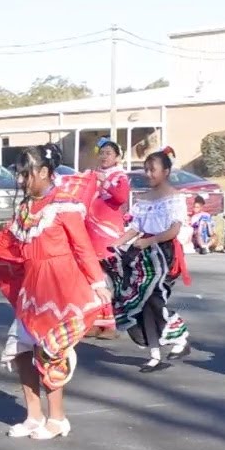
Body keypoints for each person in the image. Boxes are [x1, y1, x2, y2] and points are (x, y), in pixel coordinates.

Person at [0, 143, 110, 439]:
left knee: (51, 352)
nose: (21, 181)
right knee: (22, 350)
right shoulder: (25, 208)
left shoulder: (64, 204)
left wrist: (98, 284)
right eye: (19, 176)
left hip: (62, 289)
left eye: (26, 175)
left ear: (45, 172)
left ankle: (57, 419)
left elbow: (82, 247)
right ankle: (34, 415)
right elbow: (7, 243)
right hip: (33, 290)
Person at [111, 151, 192, 372]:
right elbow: (136, 229)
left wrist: (151, 241)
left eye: (152, 169)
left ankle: (180, 335)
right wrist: (116, 244)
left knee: (154, 300)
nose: (149, 174)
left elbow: (174, 229)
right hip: (143, 254)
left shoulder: (175, 198)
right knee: (140, 303)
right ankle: (155, 354)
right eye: (146, 169)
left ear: (166, 171)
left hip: (164, 254)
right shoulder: (144, 199)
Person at [89, 138, 130, 338]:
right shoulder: (93, 175)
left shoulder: (119, 176)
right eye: (102, 152)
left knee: (109, 276)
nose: (105, 156)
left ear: (117, 157)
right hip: (91, 231)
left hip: (108, 232)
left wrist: (103, 182)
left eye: (109, 153)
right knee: (93, 277)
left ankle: (111, 323)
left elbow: (121, 198)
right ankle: (96, 320)